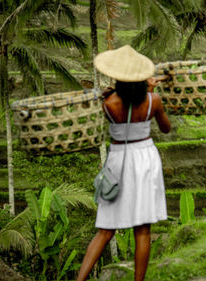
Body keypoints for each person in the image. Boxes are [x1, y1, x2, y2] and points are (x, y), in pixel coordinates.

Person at [77, 45, 171, 281]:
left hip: (118, 160)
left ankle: (79, 279)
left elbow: (118, 107)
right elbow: (165, 128)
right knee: (142, 229)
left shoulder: (108, 103)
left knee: (105, 229)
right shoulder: (154, 100)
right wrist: (150, 90)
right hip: (145, 159)